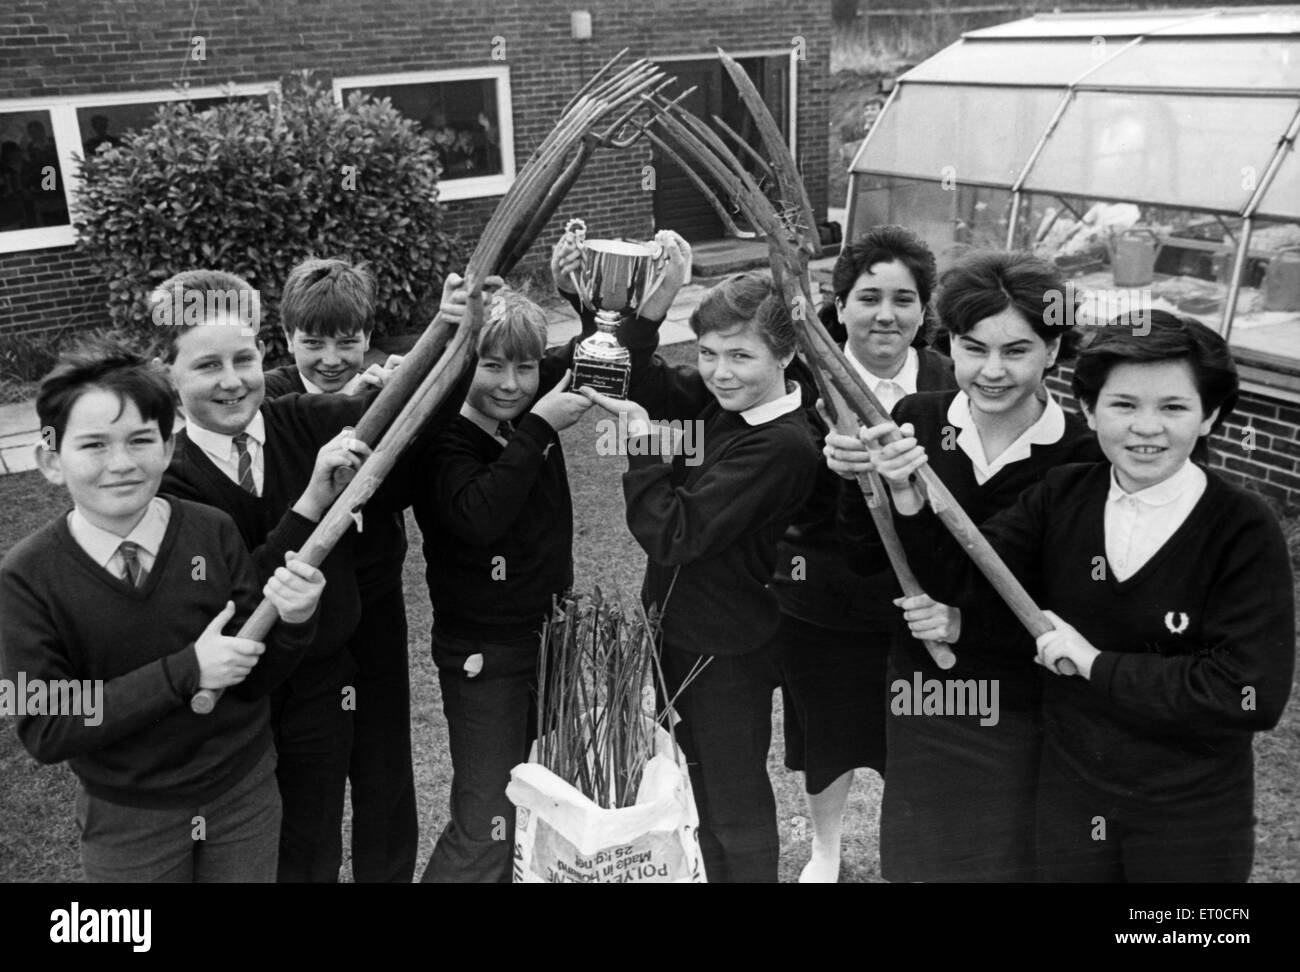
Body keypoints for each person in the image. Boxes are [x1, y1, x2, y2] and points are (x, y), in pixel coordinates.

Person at [859, 310, 1295, 882]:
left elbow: (1247, 692)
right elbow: (964, 582)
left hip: (1188, 807)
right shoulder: (1064, 494)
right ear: (1089, 410)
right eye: (1123, 405)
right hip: (1071, 793)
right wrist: (904, 492)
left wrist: (1093, 664)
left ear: (1209, 415)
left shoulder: (1241, 527)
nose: (1146, 427)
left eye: (1173, 407)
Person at [155, 267, 455, 881]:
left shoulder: (309, 420)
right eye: (208, 366)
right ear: (167, 376)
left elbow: (410, 408)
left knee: (380, 782)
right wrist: (312, 502)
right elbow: (243, 597)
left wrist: (452, 326)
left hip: (335, 666)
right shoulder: (169, 485)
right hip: (256, 693)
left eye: (244, 358)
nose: (234, 381)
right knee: (300, 837)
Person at [0, 341, 325, 882]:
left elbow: (252, 676)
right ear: (51, 460)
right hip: (129, 818)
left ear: (168, 445)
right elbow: (46, 727)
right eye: (95, 445)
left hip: (242, 794)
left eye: (140, 440)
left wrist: (292, 622)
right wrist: (186, 671)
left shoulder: (211, 530)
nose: (122, 463)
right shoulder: (26, 577)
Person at [825, 249, 1101, 881]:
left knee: (1003, 861)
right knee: (919, 858)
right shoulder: (916, 419)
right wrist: (861, 482)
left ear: (1054, 351)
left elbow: (1067, 604)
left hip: (1021, 699)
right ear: (949, 342)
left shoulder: (1080, 458)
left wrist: (960, 622)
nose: (992, 371)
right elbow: (867, 558)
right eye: (974, 348)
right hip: (924, 689)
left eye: (1018, 350)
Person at [581, 251, 821, 883]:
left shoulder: (783, 445)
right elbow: (641, 380)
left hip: (727, 652)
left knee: (733, 799)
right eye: (709, 353)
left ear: (786, 354)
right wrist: (650, 312)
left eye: (740, 356)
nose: (718, 372)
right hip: (682, 637)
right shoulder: (728, 407)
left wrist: (642, 446)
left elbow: (674, 531)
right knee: (693, 786)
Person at [772, 226, 957, 883]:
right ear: (840, 303)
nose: (886, 314)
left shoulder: (951, 380)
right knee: (829, 735)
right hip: (823, 599)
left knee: (918, 738)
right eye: (869, 297)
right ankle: (825, 850)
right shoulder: (801, 378)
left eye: (904, 299)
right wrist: (829, 470)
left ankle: (913, 852)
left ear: (923, 309)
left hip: (921, 605)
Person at [412, 282, 593, 883]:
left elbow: (599, 352)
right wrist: (541, 429)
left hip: (548, 639)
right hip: (485, 656)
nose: (511, 384)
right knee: (487, 818)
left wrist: (594, 298)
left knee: (542, 800)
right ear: (466, 364)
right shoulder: (445, 439)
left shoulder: (520, 422)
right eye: (491, 365)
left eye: (526, 366)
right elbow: (479, 517)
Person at [262, 256, 419, 882]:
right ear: (285, 337)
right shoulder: (269, 396)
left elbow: (406, 487)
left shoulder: (389, 387)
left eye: (347, 340)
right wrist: (370, 400)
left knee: (384, 769)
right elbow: (303, 425)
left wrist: (404, 400)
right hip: (298, 614)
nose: (332, 356)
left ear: (367, 334)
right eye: (313, 341)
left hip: (375, 605)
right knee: (308, 780)